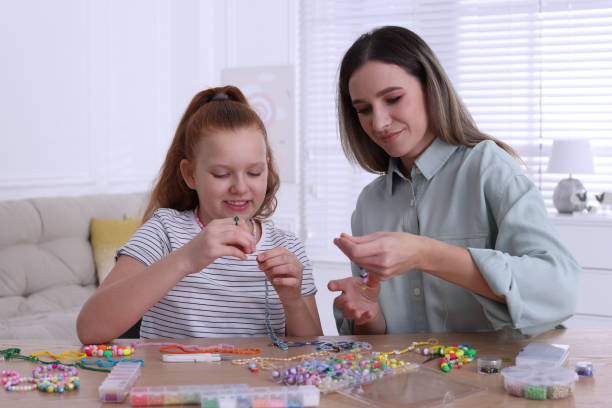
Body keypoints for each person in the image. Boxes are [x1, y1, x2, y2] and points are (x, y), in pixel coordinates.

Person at [327, 26, 580, 337]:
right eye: (363, 110)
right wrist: (368, 313)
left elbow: (559, 290)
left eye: (393, 98)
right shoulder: (370, 204)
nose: (378, 123)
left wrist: (424, 253)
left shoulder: (488, 168)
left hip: (491, 381)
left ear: (430, 88)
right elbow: (376, 341)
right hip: (405, 383)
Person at [77, 86, 322, 343]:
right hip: (174, 383)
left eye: (254, 172)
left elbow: (314, 349)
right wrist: (185, 259)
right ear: (190, 174)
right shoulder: (163, 232)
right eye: (221, 174)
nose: (240, 187)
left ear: (267, 169)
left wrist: (293, 301)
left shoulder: (287, 246)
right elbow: (89, 329)